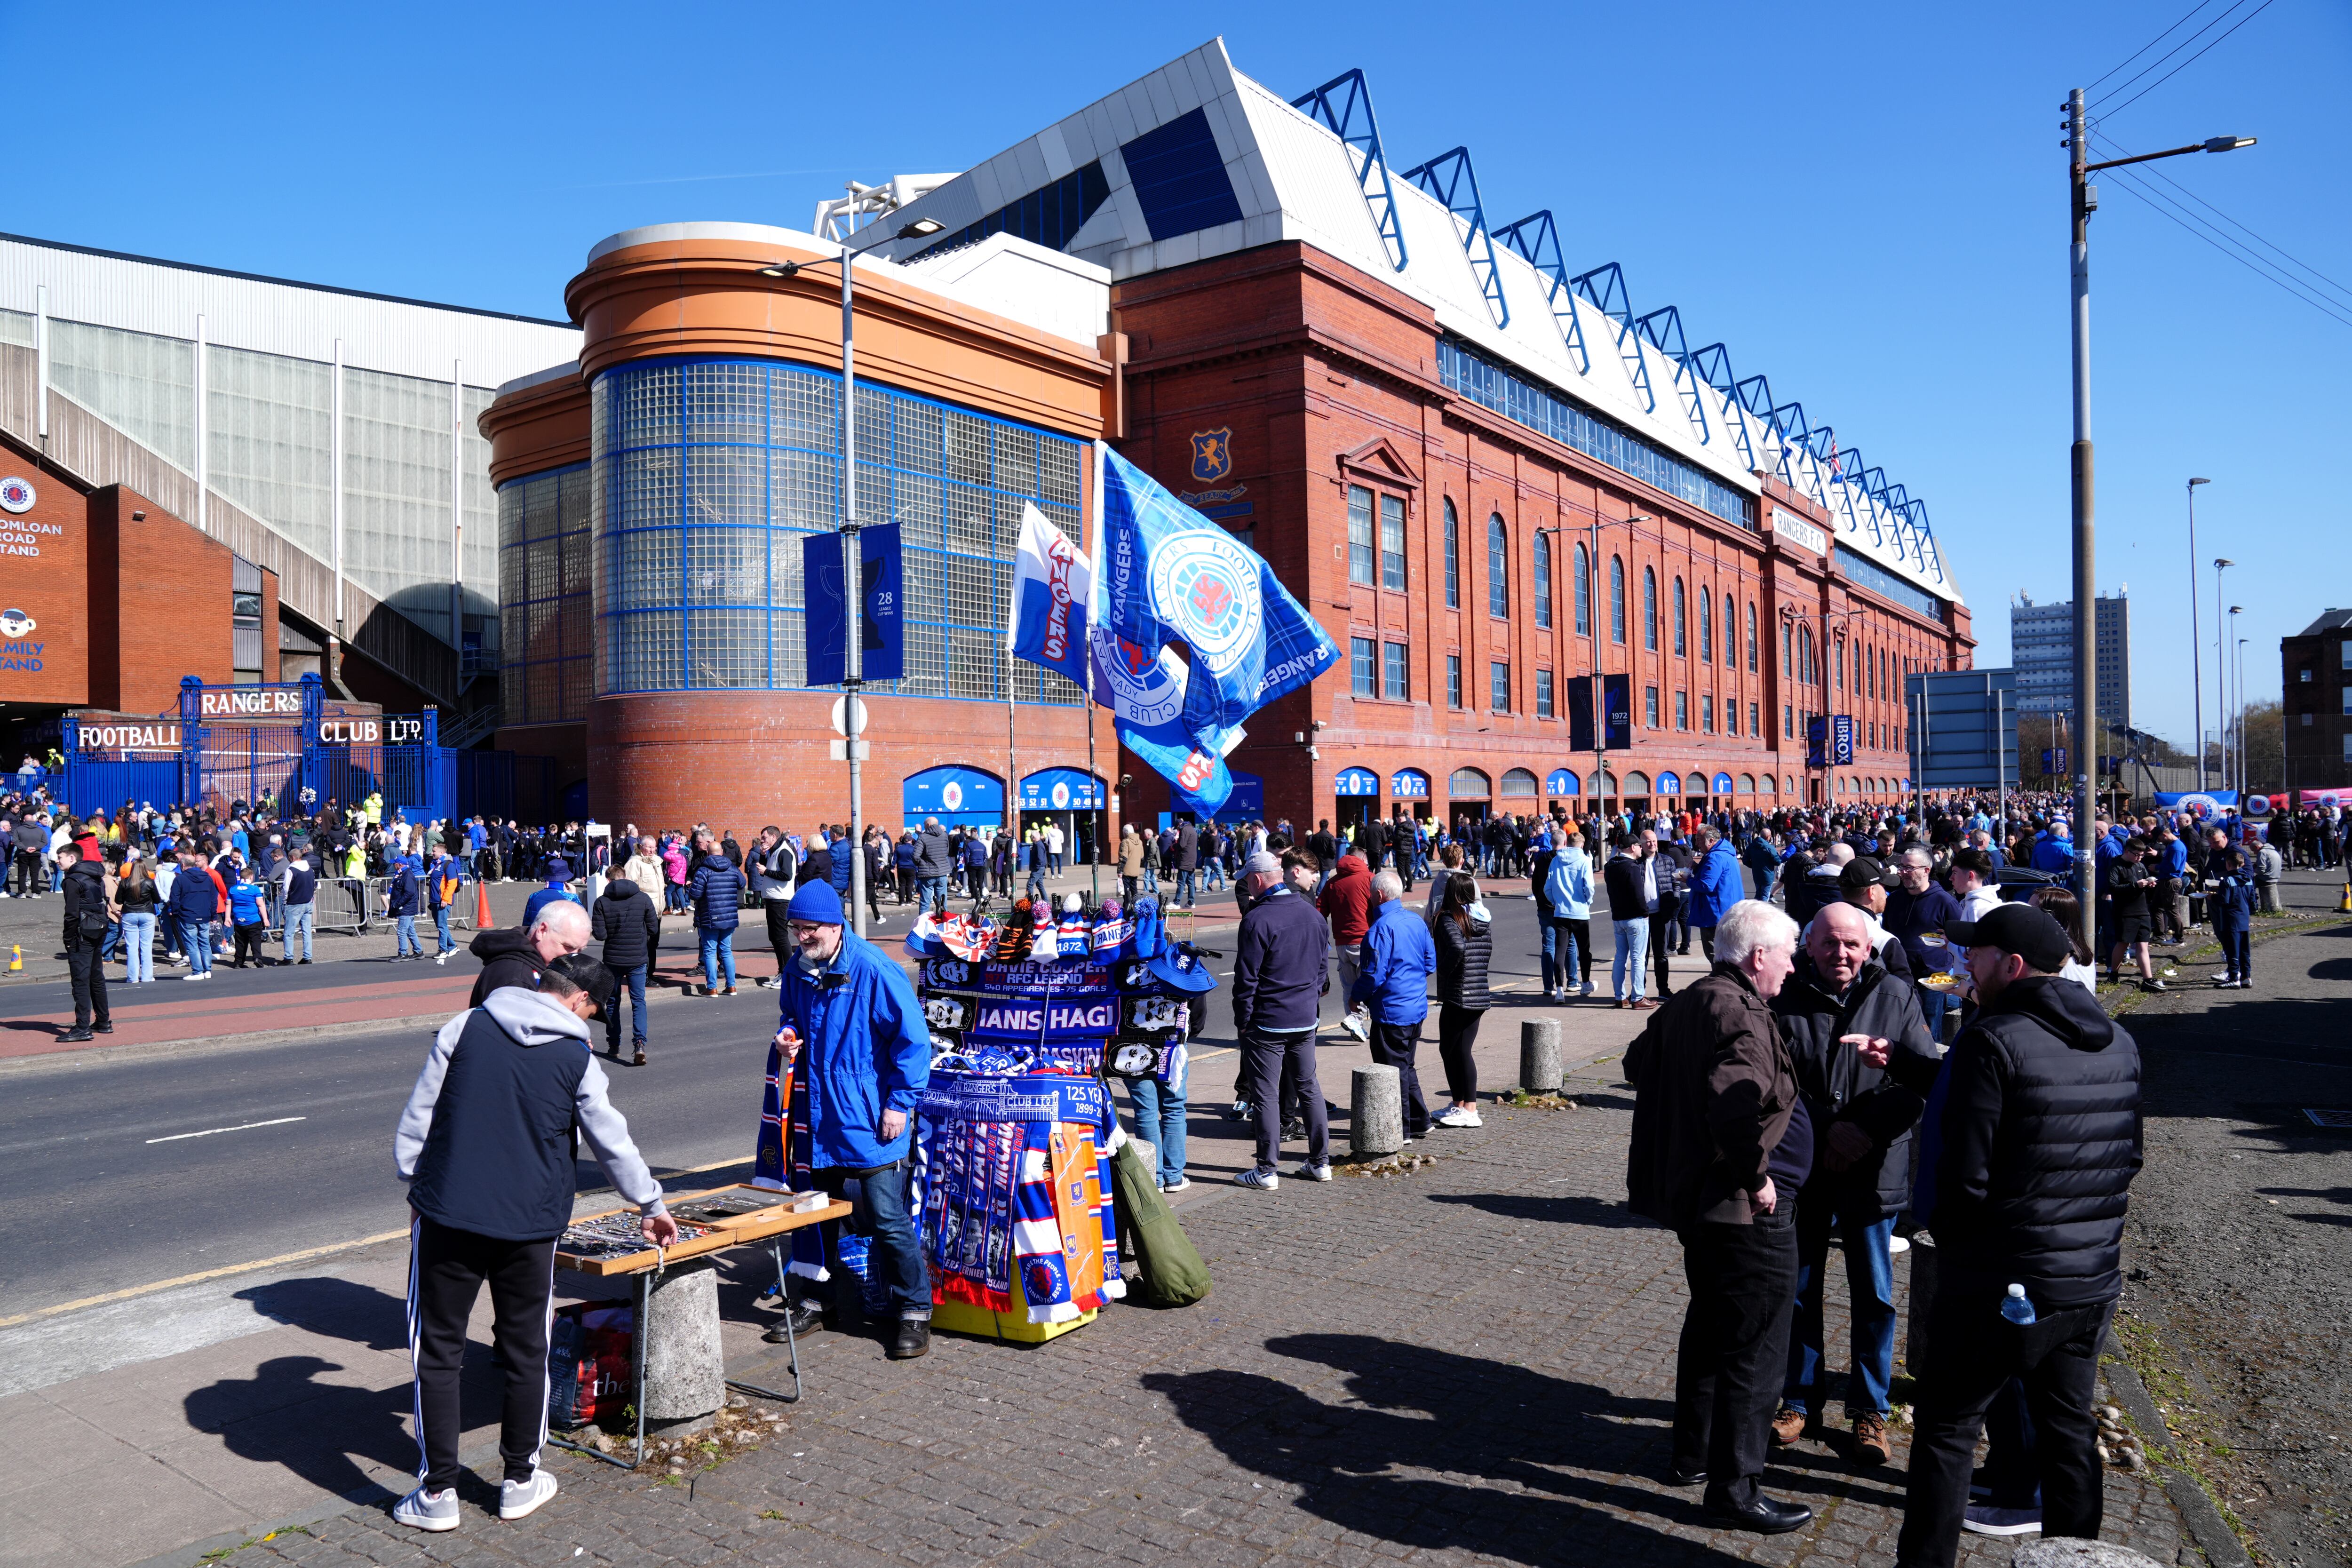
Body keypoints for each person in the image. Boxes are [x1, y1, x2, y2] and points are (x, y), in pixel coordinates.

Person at [1889, 901, 2142, 1568]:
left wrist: (1955, 1247)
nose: (1965, 965)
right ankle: (2075, 1559)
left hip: (2001, 1280)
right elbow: (2129, 1159)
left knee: (1947, 1429)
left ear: (2014, 964)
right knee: (2069, 1432)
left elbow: (1962, 1176)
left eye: (1976, 954)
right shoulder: (2118, 1039)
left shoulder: (1992, 1038)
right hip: (2089, 1280)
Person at [391, 952, 677, 1534]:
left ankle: (437, 1492)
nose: (589, 1022)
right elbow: (609, 1139)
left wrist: (415, 1183)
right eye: (593, 1012)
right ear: (577, 1001)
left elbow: (421, 1112)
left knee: (439, 1351)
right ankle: (520, 1480)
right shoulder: (576, 1056)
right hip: (531, 1222)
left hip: (449, 1210)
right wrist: (651, 1204)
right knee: (528, 1349)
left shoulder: (466, 1026)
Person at [1624, 899, 1815, 1534]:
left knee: (1711, 1324)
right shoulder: (1739, 1009)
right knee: (1755, 1346)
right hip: (1742, 1210)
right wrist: (1754, 1175)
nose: (1792, 968)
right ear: (1759, 955)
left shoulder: (1693, 997)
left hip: (1698, 1201)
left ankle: (1693, 1454)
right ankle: (1737, 1488)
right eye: (1787, 956)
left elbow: (1636, 1062)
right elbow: (1732, 1105)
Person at [1768, 903, 1939, 1467]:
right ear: (1809, 944)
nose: (1839, 954)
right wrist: (1828, 1131)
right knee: (1798, 1289)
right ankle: (1797, 1398)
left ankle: (1870, 1409)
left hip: (1873, 1168)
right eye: (1828, 943)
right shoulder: (1784, 993)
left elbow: (1919, 1082)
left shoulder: (1895, 992)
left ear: (1868, 948)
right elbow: (1773, 1083)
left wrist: (1862, 1131)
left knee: (1874, 1295)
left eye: (1850, 945)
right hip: (1806, 1166)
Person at [765, 880, 934, 1358]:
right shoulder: (799, 969)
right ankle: (819, 1302)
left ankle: (914, 1312)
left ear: (835, 926)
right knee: (816, 1217)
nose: (801, 938)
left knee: (885, 1219)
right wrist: (787, 1035)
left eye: (809, 929)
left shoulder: (875, 971)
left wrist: (900, 1104)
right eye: (796, 929)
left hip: (868, 1118)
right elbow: (790, 1015)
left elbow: (913, 1043)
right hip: (818, 1118)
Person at [1230, 849, 1332, 1188]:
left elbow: (1246, 980)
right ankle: (1320, 1162)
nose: (1247, 885)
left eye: (1248, 880)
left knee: (1266, 1095)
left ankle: (1266, 1170)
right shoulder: (1312, 914)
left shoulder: (1257, 919)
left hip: (1268, 1022)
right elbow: (1321, 970)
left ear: (1258, 880)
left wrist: (1243, 1021)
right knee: (1310, 1088)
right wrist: (1308, 999)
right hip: (1304, 1018)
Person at [1349, 869, 1436, 1143]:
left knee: (1391, 1070)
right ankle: (1421, 1121)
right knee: (1406, 1065)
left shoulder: (1380, 928)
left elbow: (1374, 975)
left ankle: (1402, 1128)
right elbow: (1430, 963)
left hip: (1391, 1011)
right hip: (1416, 1008)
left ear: (1378, 895)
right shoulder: (1415, 921)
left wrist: (1356, 997)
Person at [1431, 871, 1491, 1130]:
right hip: (1479, 991)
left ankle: (1469, 1108)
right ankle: (1461, 1106)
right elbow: (1486, 950)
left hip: (1458, 992)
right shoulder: (1482, 918)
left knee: (1452, 1050)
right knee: (1459, 1050)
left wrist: (1444, 971)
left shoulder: (1449, 918)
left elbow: (1456, 947)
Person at [592, 869, 662, 1063]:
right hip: (638, 958)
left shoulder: (602, 902)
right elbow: (654, 928)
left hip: (613, 960)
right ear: (626, 877)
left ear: (609, 880)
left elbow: (601, 935)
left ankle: (614, 1045)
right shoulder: (643, 898)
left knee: (613, 1002)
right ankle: (639, 1043)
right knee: (638, 1001)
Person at [468, 902, 592, 1006]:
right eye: (568, 947)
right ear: (542, 931)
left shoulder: (531, 966)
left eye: (580, 950)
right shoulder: (517, 980)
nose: (574, 957)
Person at [58, 843, 114, 1041]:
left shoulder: (73, 880)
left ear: (72, 859)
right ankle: (103, 1021)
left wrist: (67, 938)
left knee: (80, 981)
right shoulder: (96, 875)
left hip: (82, 934)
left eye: (61, 857)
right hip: (98, 929)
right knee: (96, 977)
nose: (58, 861)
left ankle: (82, 1027)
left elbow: (71, 914)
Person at [1538, 828, 1594, 1002]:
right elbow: (1590, 887)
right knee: (1584, 951)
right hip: (1580, 913)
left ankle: (1559, 989)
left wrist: (1555, 902)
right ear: (1582, 844)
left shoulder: (1556, 861)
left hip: (1561, 912)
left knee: (1559, 951)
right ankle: (1585, 984)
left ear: (1567, 844)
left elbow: (1547, 887)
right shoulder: (1585, 861)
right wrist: (1587, 901)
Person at [1604, 833, 1657, 1009]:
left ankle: (1620, 996)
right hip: (1635, 918)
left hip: (1618, 917)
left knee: (1620, 957)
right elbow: (1638, 894)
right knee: (1638, 958)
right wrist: (1645, 912)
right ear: (1633, 848)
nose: (1642, 848)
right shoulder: (1632, 867)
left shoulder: (1611, 866)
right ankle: (1638, 997)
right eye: (1639, 845)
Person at [2105, 837, 2161, 991]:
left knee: (2143, 945)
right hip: (2125, 911)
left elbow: (2142, 884)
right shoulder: (2116, 866)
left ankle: (2148, 980)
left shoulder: (2141, 866)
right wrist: (2134, 886)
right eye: (2136, 854)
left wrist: (2150, 885)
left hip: (2142, 909)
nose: (2139, 858)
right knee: (2123, 944)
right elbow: (2113, 888)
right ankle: (2114, 973)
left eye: (2142, 855)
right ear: (2127, 851)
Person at [690, 840, 743, 996]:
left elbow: (695, 894)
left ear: (707, 853)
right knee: (726, 951)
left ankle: (712, 987)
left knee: (710, 952)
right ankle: (731, 986)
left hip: (709, 916)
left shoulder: (704, 870)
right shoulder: (732, 868)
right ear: (722, 852)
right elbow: (742, 883)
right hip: (729, 916)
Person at [1685, 827, 1743, 960]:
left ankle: (1723, 979)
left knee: (1716, 956)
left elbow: (1706, 885)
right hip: (1726, 911)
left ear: (1711, 841)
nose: (1697, 844)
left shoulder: (1715, 857)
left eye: (1699, 840)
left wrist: (1687, 880)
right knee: (1728, 955)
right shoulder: (1725, 853)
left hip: (1714, 915)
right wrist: (1699, 868)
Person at [2208, 846, 2257, 988]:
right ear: (2242, 864)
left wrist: (2213, 898)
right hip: (2244, 918)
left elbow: (2224, 901)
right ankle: (2246, 977)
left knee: (2232, 949)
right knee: (2244, 950)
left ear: (2228, 865)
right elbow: (2252, 901)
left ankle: (2234, 978)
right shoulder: (2248, 880)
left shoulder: (2227, 881)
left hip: (2230, 919)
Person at [167, 848, 219, 982]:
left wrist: (177, 912)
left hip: (188, 916)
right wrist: (213, 915)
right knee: (204, 943)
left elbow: (174, 898)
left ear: (183, 865)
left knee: (192, 944)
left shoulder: (180, 879)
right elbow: (214, 898)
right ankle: (207, 970)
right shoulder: (207, 877)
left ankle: (198, 971)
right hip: (204, 914)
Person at [117, 859, 161, 985]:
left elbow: (118, 900)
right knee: (146, 946)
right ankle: (147, 976)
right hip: (147, 913)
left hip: (129, 914)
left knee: (131, 947)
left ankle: (132, 977)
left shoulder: (125, 882)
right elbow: (157, 900)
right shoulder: (149, 882)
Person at [278, 847, 318, 965]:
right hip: (308, 902)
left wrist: (285, 901)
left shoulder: (291, 870)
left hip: (294, 904)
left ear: (292, 858)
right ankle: (307, 956)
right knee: (306, 931)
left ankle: (289, 957)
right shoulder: (310, 869)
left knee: (289, 932)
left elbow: (286, 888)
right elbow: (314, 885)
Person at [226, 863, 270, 968]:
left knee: (240, 942)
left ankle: (238, 962)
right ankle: (257, 958)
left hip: (239, 920)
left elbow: (228, 904)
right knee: (255, 940)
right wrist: (265, 919)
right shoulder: (254, 890)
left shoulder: (233, 889)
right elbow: (261, 904)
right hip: (253, 920)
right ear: (251, 877)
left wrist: (228, 918)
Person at [386, 854, 423, 961]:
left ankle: (403, 953)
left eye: (395, 864)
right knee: (411, 931)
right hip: (407, 907)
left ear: (399, 865)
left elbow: (409, 893)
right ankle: (418, 951)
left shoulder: (407, 875)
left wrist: (397, 904)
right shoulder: (402, 875)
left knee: (402, 931)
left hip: (406, 908)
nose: (394, 866)